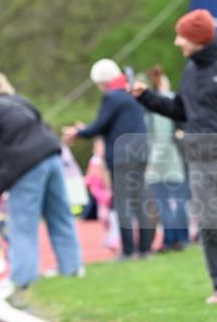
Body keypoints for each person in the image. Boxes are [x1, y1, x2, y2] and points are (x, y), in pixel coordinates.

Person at [132, 8, 217, 303]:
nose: (178, 42)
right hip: (199, 158)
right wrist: (147, 97)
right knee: (207, 225)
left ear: (198, 38)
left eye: (182, 36)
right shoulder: (190, 70)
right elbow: (180, 110)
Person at [0, 65, 82, 288]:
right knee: (60, 215)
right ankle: (72, 268)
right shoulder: (21, 101)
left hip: (25, 165)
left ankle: (23, 279)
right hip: (52, 156)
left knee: (22, 224)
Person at [63, 59, 153, 259]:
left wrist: (78, 132)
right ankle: (145, 249)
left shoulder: (112, 96)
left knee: (123, 204)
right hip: (139, 153)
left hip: (121, 156)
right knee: (140, 201)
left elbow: (100, 125)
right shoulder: (130, 93)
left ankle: (128, 251)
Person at [144, 66, 190, 251]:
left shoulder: (159, 104)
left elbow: (161, 139)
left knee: (165, 202)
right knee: (176, 201)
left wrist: (152, 162)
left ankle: (172, 239)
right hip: (172, 159)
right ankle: (180, 237)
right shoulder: (169, 101)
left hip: (164, 160)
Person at [84, 138, 119, 250]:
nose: (101, 149)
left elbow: (109, 177)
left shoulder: (108, 159)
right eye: (98, 147)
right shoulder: (94, 161)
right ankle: (109, 234)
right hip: (99, 193)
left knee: (112, 216)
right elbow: (90, 174)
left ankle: (114, 237)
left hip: (108, 192)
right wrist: (87, 181)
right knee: (103, 216)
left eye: (102, 147)